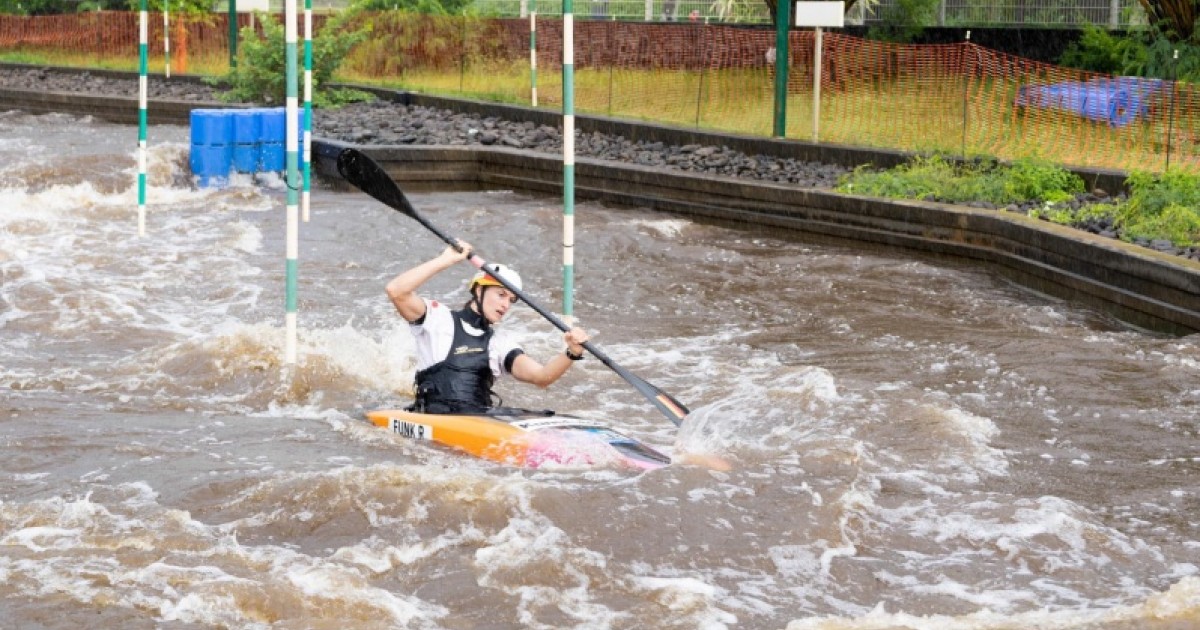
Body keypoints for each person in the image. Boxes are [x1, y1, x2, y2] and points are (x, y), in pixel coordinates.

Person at [386, 240, 590, 415]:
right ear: (479, 291)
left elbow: (541, 377)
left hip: (478, 421)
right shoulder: (438, 319)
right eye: (501, 295)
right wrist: (446, 260)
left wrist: (572, 353)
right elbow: (396, 291)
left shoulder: (500, 344)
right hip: (433, 417)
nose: (505, 305)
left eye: (511, 300)